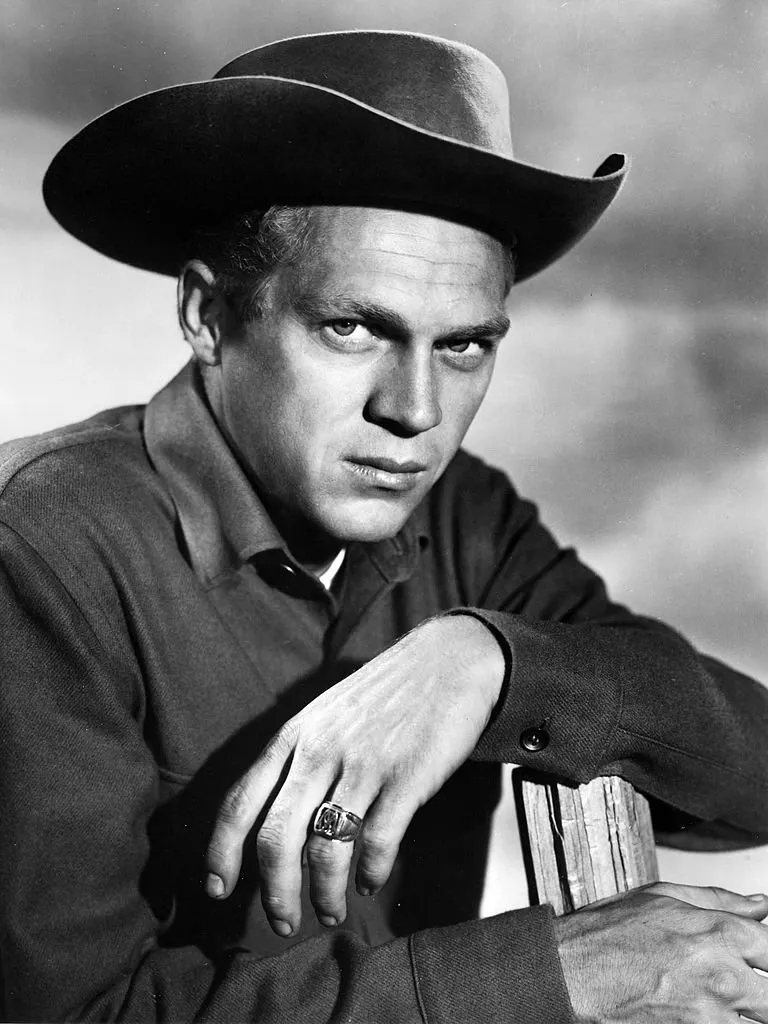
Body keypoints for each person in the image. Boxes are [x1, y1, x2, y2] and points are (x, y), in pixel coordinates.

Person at [1, 28, 767, 1024]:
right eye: (353, 327)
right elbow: (72, 1015)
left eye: (464, 346)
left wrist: (487, 663)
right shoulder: (37, 551)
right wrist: (559, 973)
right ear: (207, 314)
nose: (413, 410)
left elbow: (752, 784)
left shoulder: (467, 519)